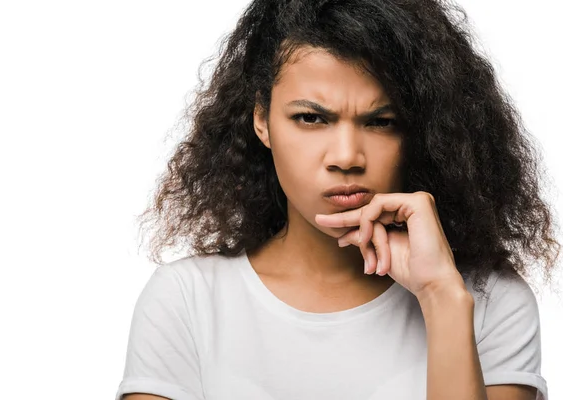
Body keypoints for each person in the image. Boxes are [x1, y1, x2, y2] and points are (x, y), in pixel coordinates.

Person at [115, 0, 561, 399]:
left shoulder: (488, 301)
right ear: (262, 120)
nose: (347, 156)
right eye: (311, 118)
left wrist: (442, 299)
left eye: (381, 121)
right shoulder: (187, 301)